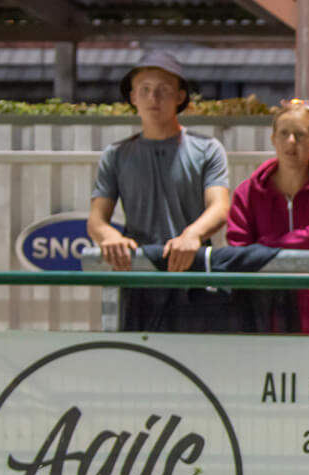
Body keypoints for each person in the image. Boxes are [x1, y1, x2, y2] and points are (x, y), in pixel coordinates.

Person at [87, 50, 232, 331]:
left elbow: (220, 206)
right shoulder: (116, 155)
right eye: (145, 90)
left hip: (195, 277)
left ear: (180, 96)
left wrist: (193, 235)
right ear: (133, 98)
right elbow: (96, 219)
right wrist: (109, 236)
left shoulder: (207, 150)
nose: (153, 98)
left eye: (163, 90)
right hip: (139, 276)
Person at [226, 98, 309, 333]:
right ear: (273, 140)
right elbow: (238, 247)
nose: (291, 141)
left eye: (300, 134)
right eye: (284, 133)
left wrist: (266, 246)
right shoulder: (247, 192)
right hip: (262, 313)